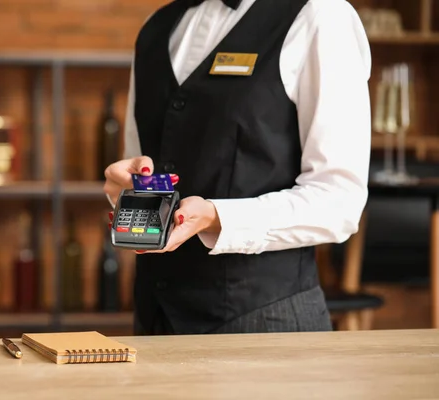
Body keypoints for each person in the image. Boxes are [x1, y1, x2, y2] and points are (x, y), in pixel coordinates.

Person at [104, 0, 371, 335]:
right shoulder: (154, 27)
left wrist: (218, 217)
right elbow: (139, 164)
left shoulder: (321, 16)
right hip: (154, 320)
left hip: (265, 324)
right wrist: (124, 190)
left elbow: (339, 201)